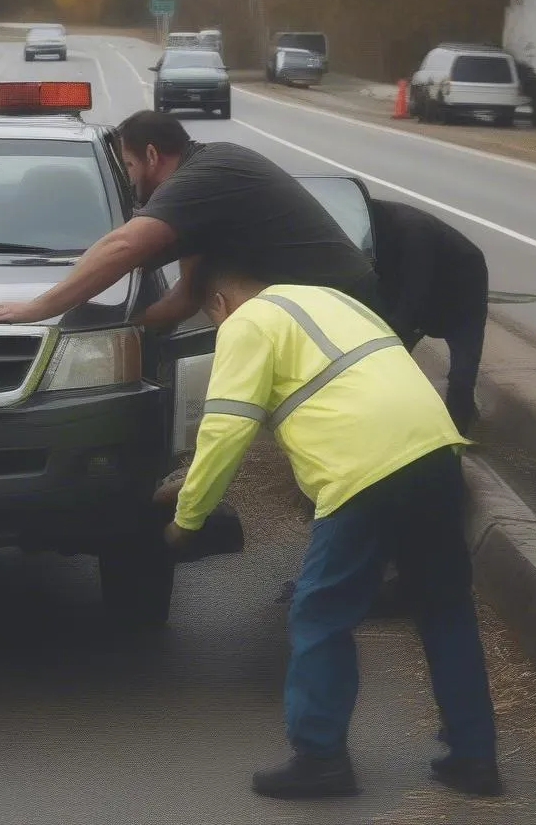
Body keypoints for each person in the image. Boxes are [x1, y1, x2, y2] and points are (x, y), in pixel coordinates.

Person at [155, 259, 500, 800]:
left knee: (318, 612)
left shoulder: (247, 323)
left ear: (219, 303)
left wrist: (187, 520)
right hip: (435, 451)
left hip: (365, 467)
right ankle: (476, 757)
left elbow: (226, 429)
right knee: (443, 606)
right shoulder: (332, 300)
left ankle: (320, 758)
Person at [0, 110, 380, 326]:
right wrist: (127, 325)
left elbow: (123, 244)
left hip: (344, 307)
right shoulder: (203, 198)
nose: (130, 182)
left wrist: (40, 307)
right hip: (332, 304)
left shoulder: (204, 175)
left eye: (128, 165)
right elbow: (185, 298)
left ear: (152, 155)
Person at [371, 200, 488, 434]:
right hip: (418, 279)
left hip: (464, 287)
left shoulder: (414, 232)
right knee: (388, 357)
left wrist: (393, 335)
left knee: (462, 372)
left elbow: (415, 290)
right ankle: (387, 413)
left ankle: (459, 430)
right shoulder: (372, 227)